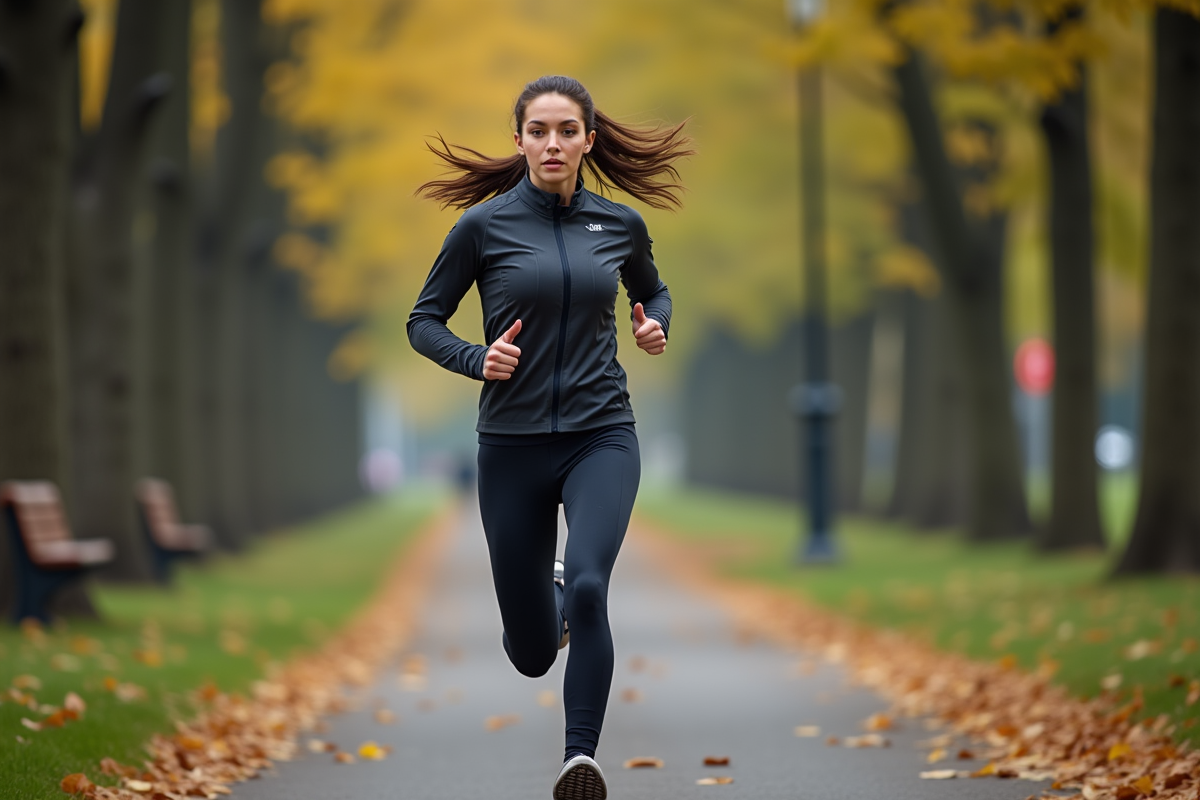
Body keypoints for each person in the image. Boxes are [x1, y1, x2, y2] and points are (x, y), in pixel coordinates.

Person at [408, 75, 692, 800]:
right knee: (533, 653)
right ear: (520, 141)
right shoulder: (483, 228)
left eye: (567, 130)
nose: (553, 143)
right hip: (512, 447)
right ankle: (552, 601)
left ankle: (580, 762)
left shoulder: (618, 226)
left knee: (594, 586)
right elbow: (423, 321)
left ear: (588, 140)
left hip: (602, 434)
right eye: (539, 131)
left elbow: (651, 289)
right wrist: (478, 360)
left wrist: (652, 320)